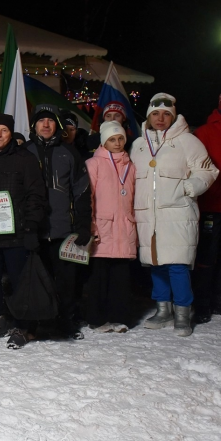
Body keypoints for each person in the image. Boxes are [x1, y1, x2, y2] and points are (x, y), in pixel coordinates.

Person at [133, 93, 218, 336]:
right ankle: (163, 310)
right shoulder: (139, 144)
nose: (161, 118)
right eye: (156, 114)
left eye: (166, 114)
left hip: (179, 213)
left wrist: (190, 187)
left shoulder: (187, 141)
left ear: (173, 116)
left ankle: (183, 312)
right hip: (148, 215)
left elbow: (207, 169)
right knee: (156, 264)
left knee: (177, 266)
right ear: (149, 116)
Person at [0, 114, 47, 349]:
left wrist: (32, 225)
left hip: (17, 233)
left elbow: (37, 194)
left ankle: (23, 325)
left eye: (4, 130)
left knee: (19, 281)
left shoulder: (25, 159)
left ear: (11, 133)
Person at [24, 103, 92, 339]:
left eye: (51, 121)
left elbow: (82, 192)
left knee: (66, 281)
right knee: (36, 280)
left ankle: (66, 322)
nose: (46, 125)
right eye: (41, 120)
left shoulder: (69, 153)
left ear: (57, 126)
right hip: (34, 230)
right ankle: (35, 323)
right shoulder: (25, 151)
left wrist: (83, 225)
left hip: (63, 230)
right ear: (34, 125)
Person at [85, 121, 136, 333]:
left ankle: (119, 317)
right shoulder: (93, 163)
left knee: (120, 278)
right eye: (112, 139)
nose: (117, 143)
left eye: (121, 138)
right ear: (104, 141)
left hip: (124, 229)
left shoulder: (131, 165)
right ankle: (96, 319)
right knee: (98, 277)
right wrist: (91, 225)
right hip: (103, 228)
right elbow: (88, 197)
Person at [193, 95, 221, 323]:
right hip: (212, 204)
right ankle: (202, 304)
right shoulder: (203, 133)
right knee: (207, 257)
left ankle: (219, 301)